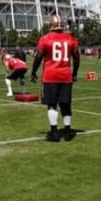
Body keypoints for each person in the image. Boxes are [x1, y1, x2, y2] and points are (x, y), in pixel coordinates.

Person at [30, 14, 80, 142]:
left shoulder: (45, 38)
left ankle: (54, 132)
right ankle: (68, 131)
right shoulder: (71, 38)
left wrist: (33, 71)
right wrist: (74, 73)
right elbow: (77, 57)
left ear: (50, 24)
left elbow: (38, 57)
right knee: (66, 105)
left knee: (52, 105)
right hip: (65, 75)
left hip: (50, 75)